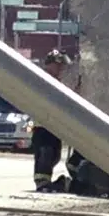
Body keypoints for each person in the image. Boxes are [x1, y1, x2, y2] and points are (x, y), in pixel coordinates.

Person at [32, 50, 72, 192]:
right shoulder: (43, 80)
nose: (61, 69)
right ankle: (42, 183)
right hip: (43, 126)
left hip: (54, 126)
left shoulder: (56, 81)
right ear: (50, 64)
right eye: (59, 65)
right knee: (45, 153)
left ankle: (46, 182)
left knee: (55, 155)